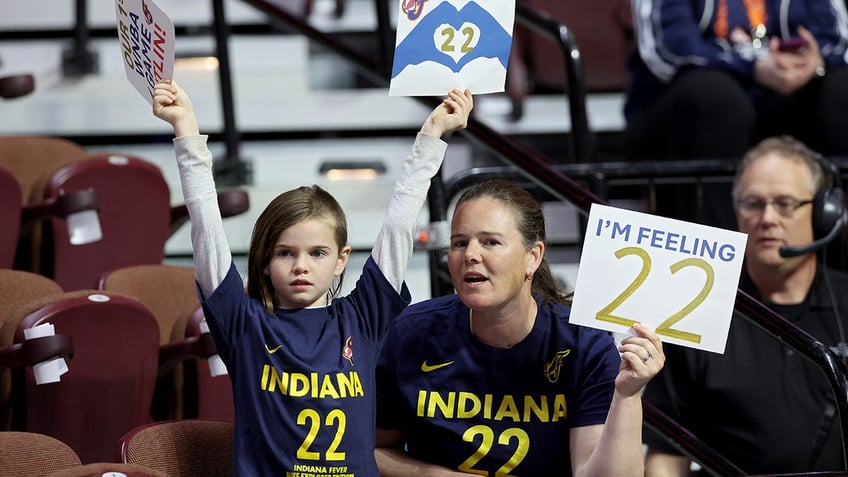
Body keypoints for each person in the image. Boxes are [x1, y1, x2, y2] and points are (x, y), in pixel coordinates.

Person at [151, 79, 473, 475]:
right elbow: (206, 230)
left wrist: (431, 137)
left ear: (341, 260)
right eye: (285, 253)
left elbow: (399, 226)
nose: (300, 265)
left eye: (317, 253)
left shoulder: (363, 318)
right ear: (265, 262)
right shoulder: (244, 324)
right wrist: (186, 129)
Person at [375, 178, 665, 476]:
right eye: (460, 242)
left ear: (533, 257)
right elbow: (369, 451)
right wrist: (431, 474)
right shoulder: (411, 332)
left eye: (491, 242)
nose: (471, 255)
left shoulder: (584, 345)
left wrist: (628, 395)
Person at [643, 136, 848, 475]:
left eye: (785, 203)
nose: (767, 218)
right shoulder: (697, 313)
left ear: (825, 213)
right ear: (736, 212)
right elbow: (666, 457)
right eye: (753, 203)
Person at [622, 0, 848, 228]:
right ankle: (721, 254)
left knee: (839, 89)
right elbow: (670, 51)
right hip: (684, 109)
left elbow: (837, 41)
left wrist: (814, 61)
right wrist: (754, 67)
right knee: (716, 97)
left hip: (780, 99)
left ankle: (832, 249)